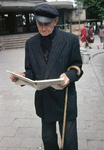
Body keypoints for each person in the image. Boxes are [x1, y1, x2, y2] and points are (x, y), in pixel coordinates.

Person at [9, 3, 83, 150]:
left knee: (69, 141)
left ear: (55, 21)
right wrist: (22, 76)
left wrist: (69, 76)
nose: (43, 28)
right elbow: (31, 71)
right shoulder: (30, 43)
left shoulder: (70, 40)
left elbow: (77, 67)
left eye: (47, 24)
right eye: (39, 24)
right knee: (48, 139)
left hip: (65, 99)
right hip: (45, 100)